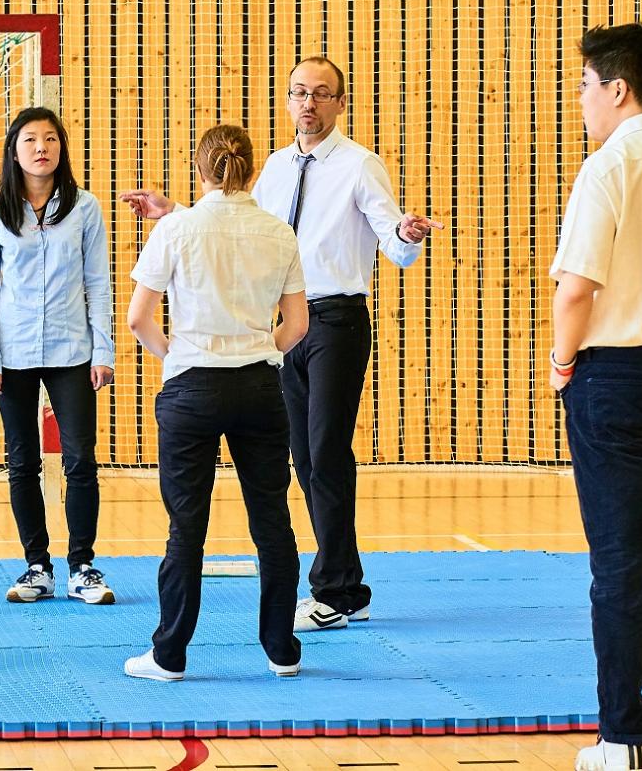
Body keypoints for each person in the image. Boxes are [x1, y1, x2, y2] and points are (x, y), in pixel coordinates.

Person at [124, 57, 441, 633]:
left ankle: (339, 589)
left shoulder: (360, 166)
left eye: (322, 94)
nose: (309, 103)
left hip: (336, 320)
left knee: (325, 453)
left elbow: (390, 234)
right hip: (283, 325)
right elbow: (238, 225)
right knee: (301, 457)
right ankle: (344, 581)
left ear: (340, 104)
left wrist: (406, 234)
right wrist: (174, 213)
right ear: (288, 100)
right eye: (299, 93)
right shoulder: (272, 166)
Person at [549, 22, 642, 771]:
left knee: (620, 562)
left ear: (617, 88)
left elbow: (577, 289)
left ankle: (622, 740)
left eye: (583, 86)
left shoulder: (609, 166)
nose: (579, 101)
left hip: (614, 377)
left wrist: (560, 363)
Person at [122, 125, 310, 681]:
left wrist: (174, 357)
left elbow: (138, 318)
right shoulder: (278, 232)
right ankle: (282, 650)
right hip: (257, 384)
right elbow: (297, 325)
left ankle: (170, 654)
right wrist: (259, 351)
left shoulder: (176, 229)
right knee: (272, 519)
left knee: (187, 526)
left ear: (198, 169)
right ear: (252, 170)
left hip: (192, 387)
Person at [0, 106, 116, 605]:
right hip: (11, 352)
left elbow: (98, 284)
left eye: (50, 138)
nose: (41, 148)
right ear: (15, 150)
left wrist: (104, 350)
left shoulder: (85, 208)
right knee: (22, 461)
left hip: (73, 350)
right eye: (30, 139)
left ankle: (83, 567)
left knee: (80, 459)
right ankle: (37, 566)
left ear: (61, 148)